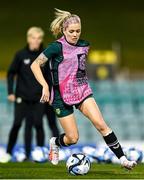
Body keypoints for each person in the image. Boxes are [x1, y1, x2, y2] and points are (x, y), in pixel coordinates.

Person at [30, 9, 137, 170]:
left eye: (78, 31)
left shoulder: (84, 45)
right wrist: (45, 86)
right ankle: (55, 142)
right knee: (72, 139)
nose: (75, 34)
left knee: (101, 124)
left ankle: (123, 160)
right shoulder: (56, 47)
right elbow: (35, 64)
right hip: (60, 96)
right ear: (64, 30)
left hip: (81, 91)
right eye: (71, 31)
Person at [1, 27, 59, 163]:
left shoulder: (45, 56)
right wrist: (10, 92)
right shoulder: (20, 55)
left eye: (39, 38)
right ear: (28, 39)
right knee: (17, 124)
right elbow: (11, 73)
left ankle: (38, 153)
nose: (36, 41)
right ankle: (10, 153)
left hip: (39, 97)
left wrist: (51, 93)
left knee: (38, 124)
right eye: (33, 38)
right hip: (22, 97)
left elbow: (50, 77)